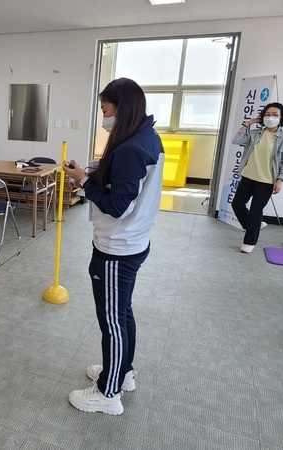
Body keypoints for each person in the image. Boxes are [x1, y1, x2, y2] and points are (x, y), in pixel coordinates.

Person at [63, 78, 164, 415]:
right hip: (133, 241)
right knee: (123, 312)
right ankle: (123, 372)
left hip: (117, 247)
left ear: (120, 107)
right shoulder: (145, 137)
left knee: (112, 321)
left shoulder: (132, 147)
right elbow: (125, 182)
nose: (103, 115)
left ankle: (108, 393)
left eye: (105, 108)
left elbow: (117, 205)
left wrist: (84, 181)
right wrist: (90, 172)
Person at [231, 102, 283, 253]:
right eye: (267, 114)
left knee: (256, 210)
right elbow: (236, 140)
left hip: (267, 180)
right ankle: (255, 225)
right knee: (237, 204)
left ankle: (249, 241)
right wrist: (248, 123)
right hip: (248, 175)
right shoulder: (255, 133)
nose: (271, 117)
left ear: (281, 118)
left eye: (275, 115)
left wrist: (280, 180)